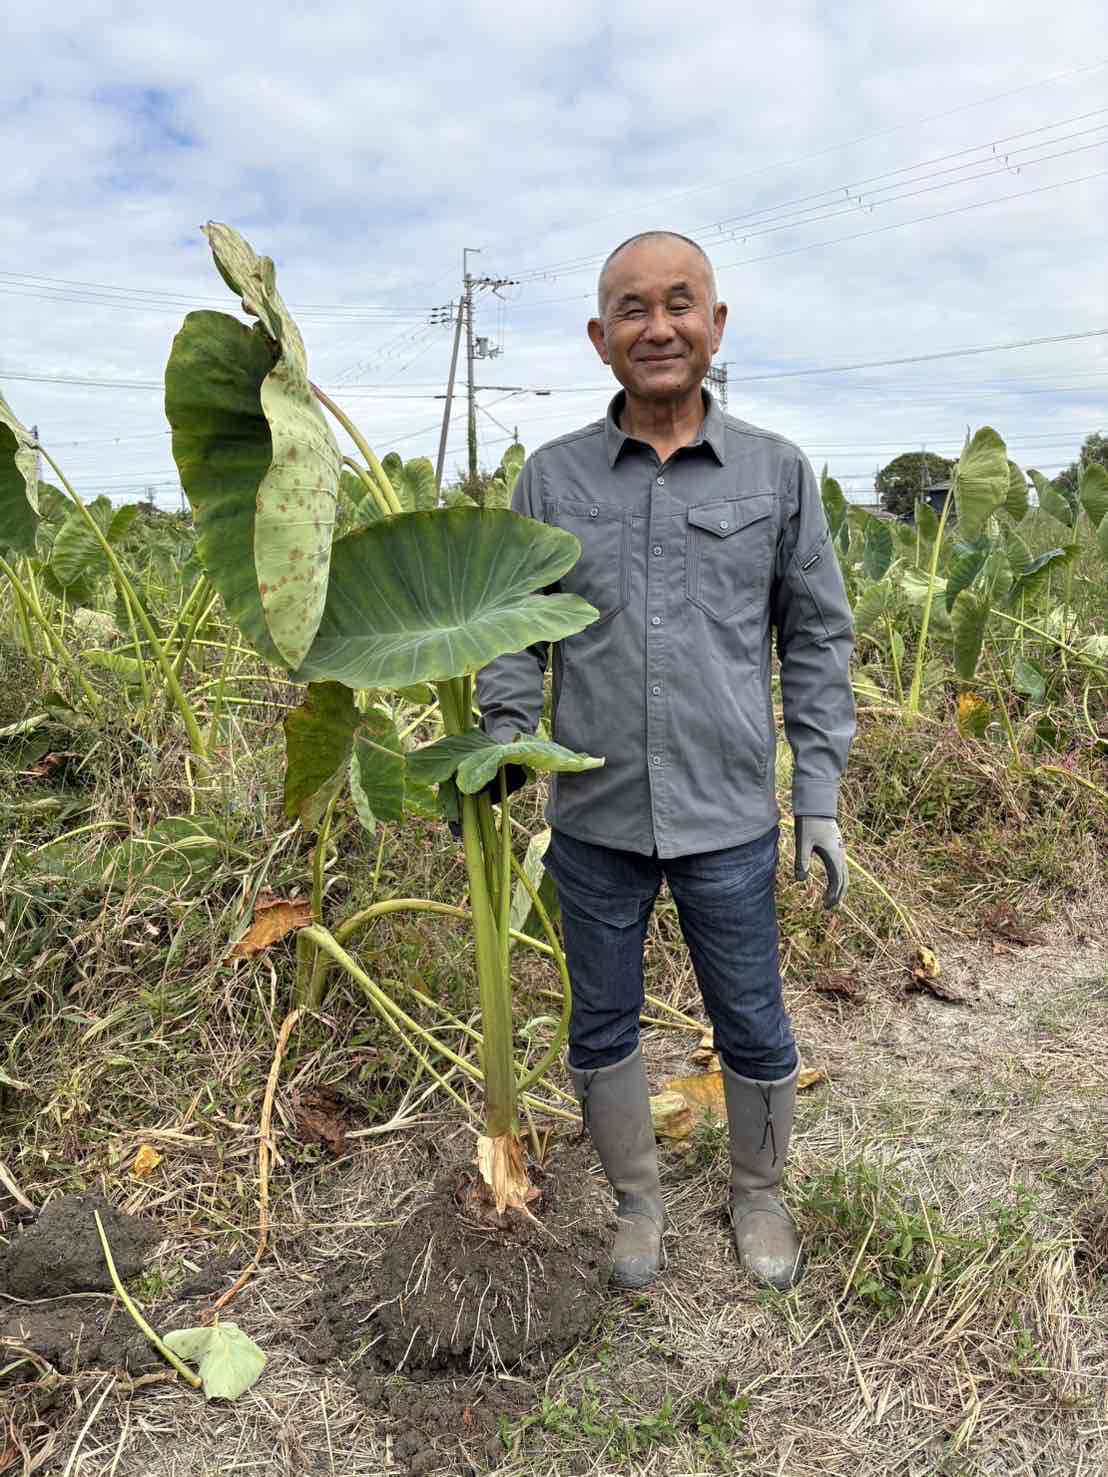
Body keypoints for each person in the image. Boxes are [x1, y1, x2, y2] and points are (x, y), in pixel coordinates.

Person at [476, 231, 855, 1293]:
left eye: (679, 303)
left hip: (729, 813)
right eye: (631, 310)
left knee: (751, 1014)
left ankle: (758, 1192)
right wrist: (505, 741)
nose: (658, 326)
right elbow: (516, 626)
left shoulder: (776, 473)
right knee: (598, 1020)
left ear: (715, 325)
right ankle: (638, 1203)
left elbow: (817, 636)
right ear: (601, 340)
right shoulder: (550, 479)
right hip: (594, 819)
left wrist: (815, 796)